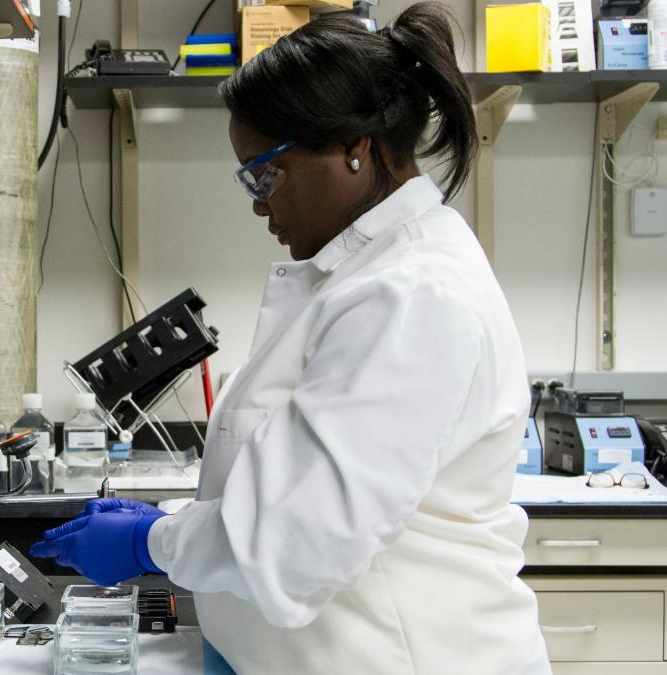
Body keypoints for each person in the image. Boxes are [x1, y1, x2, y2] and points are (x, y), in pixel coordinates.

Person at [30, 4, 551, 673]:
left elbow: (294, 541)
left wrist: (150, 540)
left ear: (352, 149)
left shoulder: (413, 294)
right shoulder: (364, 277)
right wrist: (185, 513)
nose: (256, 201)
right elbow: (301, 474)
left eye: (264, 172)